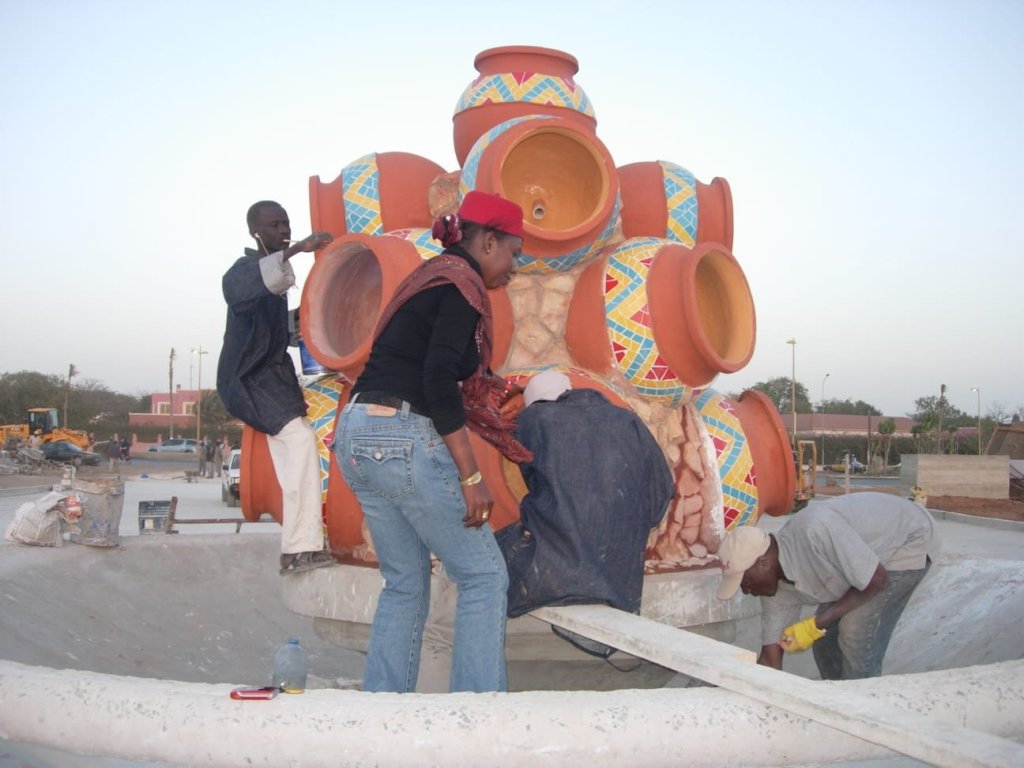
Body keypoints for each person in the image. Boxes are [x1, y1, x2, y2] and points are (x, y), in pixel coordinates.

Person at [332, 190, 530, 693]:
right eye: (513, 252)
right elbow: (438, 378)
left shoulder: (432, 278)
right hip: (399, 436)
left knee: (404, 584)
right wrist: (471, 476)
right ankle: (477, 715)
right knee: (484, 576)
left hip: (356, 431)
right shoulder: (462, 286)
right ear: (488, 242)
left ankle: (383, 708)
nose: (515, 265)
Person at [496, 370, 675, 656]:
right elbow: (662, 490)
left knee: (493, 554)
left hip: (559, 549)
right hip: (620, 559)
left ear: (536, 403)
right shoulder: (627, 419)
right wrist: (631, 524)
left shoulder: (535, 419)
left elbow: (527, 468)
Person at [217, 200, 335, 576]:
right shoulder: (242, 273)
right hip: (247, 380)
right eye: (275, 225)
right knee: (299, 442)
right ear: (255, 232)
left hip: (273, 379)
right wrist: (299, 248)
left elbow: (279, 330)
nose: (284, 230)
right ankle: (299, 547)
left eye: (286, 224)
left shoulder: (274, 282)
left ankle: (301, 545)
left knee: (295, 450)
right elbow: (242, 290)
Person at [716, 492, 939, 680]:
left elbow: (876, 580)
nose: (746, 591)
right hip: (864, 567)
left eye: (744, 582)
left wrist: (816, 624)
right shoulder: (774, 591)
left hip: (909, 539)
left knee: (853, 629)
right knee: (824, 640)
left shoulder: (814, 530)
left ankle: (863, 704)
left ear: (763, 563)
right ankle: (836, 698)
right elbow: (770, 658)